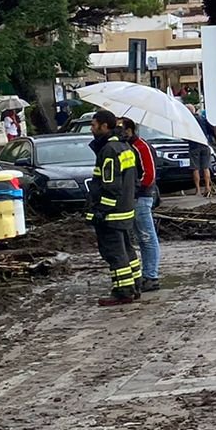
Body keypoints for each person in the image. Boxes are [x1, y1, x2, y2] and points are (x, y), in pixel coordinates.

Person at [87, 111, 141, 307]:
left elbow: (110, 185)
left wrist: (101, 210)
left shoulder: (109, 150)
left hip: (112, 214)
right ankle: (135, 285)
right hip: (125, 209)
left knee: (114, 253)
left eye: (94, 125)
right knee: (127, 250)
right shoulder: (125, 146)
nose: (91, 130)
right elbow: (134, 180)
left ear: (104, 126)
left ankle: (123, 292)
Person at [119, 116, 162, 293]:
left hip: (141, 198)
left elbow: (149, 175)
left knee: (146, 237)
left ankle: (151, 275)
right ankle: (148, 274)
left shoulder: (141, 147)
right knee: (143, 237)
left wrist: (135, 190)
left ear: (130, 130)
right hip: (137, 196)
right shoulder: (131, 146)